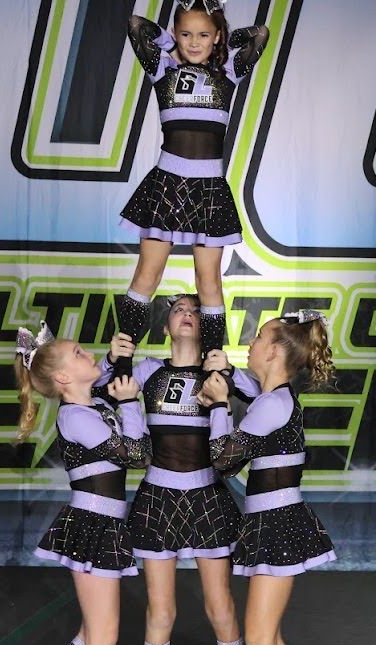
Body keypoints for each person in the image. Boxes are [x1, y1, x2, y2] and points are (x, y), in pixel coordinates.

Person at [98, 295, 258, 645]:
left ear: (202, 325)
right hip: (158, 499)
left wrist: (227, 370)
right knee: (161, 613)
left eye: (193, 307)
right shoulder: (146, 370)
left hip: (209, 496)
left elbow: (264, 389)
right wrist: (112, 357)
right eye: (176, 309)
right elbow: (95, 387)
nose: (186, 312)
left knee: (221, 610)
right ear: (165, 325)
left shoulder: (218, 370)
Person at [197, 310, 337, 645]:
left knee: (258, 637)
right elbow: (248, 387)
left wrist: (218, 404)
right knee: (270, 637)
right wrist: (225, 375)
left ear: (274, 352)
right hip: (273, 521)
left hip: (276, 524)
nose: (251, 344)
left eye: (258, 339)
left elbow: (222, 460)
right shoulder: (273, 396)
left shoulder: (273, 405)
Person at [16, 324, 149, 645]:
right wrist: (131, 404)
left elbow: (106, 380)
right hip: (92, 525)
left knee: (90, 633)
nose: (86, 352)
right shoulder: (75, 416)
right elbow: (134, 454)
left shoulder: (89, 404)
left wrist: (112, 360)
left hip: (101, 522)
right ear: (61, 379)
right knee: (104, 635)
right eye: (78, 353)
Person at [113, 2, 270, 376]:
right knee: (146, 276)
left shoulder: (227, 73)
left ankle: (213, 363)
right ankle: (121, 360)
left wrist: (222, 42)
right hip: (166, 184)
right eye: (186, 34)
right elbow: (136, 25)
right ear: (175, 34)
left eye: (203, 35)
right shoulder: (163, 70)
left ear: (215, 36)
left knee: (209, 281)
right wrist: (169, 42)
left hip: (209, 190)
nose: (193, 42)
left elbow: (260, 35)